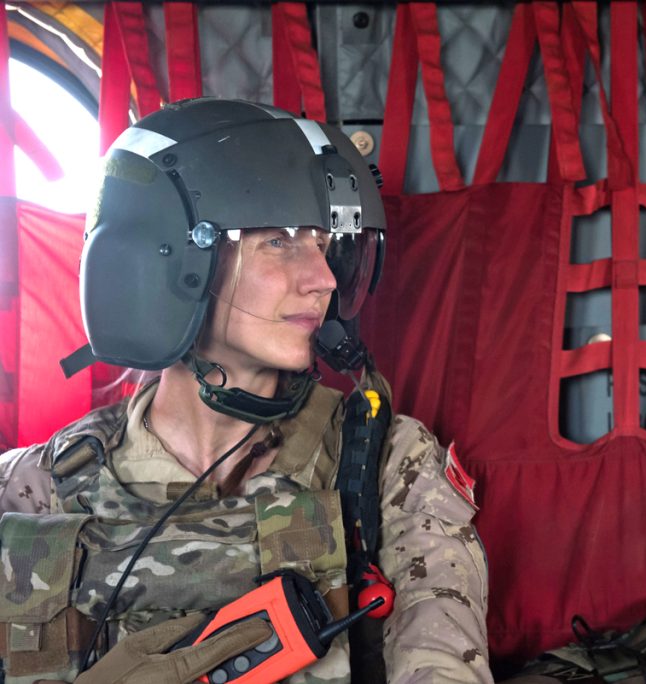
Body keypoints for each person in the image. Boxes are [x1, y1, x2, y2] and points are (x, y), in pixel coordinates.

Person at [0, 98, 491, 684]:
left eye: (323, 244)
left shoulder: (383, 462)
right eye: (280, 241)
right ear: (174, 263)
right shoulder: (31, 487)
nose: (325, 279)